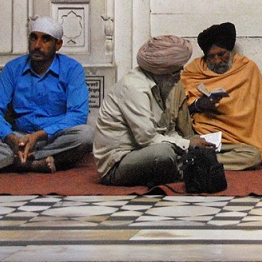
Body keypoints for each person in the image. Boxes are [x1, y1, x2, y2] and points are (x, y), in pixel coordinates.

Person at [0, 16, 92, 173]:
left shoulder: (72, 69)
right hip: (18, 137)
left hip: (52, 138)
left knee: (85, 136)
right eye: (33, 38)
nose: (37, 45)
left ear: (58, 45)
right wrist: (10, 138)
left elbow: (78, 115)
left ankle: (11, 161)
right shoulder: (13, 68)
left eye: (45, 40)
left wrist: (39, 135)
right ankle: (32, 163)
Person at [93, 34, 216, 186]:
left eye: (180, 71)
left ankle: (181, 169)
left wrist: (190, 142)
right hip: (118, 162)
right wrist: (187, 146)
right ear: (160, 71)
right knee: (165, 154)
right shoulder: (135, 87)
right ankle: (183, 171)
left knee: (195, 142)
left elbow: (167, 130)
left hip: (148, 147)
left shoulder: (163, 84)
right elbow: (147, 139)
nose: (178, 78)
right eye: (175, 73)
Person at [180, 22, 262, 168]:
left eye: (221, 54)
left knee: (253, 157)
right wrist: (199, 104)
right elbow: (179, 108)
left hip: (238, 143)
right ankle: (198, 159)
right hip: (203, 137)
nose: (217, 61)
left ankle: (195, 162)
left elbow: (260, 113)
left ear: (230, 51)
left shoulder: (247, 68)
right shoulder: (194, 70)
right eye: (211, 57)